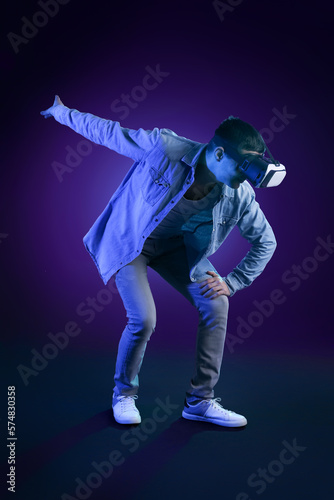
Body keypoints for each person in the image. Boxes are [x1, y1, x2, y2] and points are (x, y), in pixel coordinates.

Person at [41, 95, 278, 428]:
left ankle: (200, 401)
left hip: (179, 252)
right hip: (132, 244)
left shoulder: (238, 192)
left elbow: (266, 241)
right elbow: (109, 132)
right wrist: (63, 113)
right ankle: (124, 393)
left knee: (217, 304)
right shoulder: (164, 147)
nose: (244, 179)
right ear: (220, 153)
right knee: (144, 319)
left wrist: (233, 281)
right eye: (241, 170)